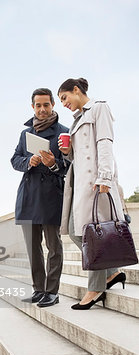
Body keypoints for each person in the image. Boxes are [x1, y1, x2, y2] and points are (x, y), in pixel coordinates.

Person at [57, 77, 126, 310]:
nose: (63, 104)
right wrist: (67, 151)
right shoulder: (77, 120)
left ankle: (95, 289)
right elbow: (78, 156)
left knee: (88, 236)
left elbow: (105, 142)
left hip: (96, 183)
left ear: (76, 90)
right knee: (77, 233)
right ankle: (112, 272)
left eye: (64, 98)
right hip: (79, 185)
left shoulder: (99, 108)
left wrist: (105, 177)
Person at [11, 88, 69, 307]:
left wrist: (52, 163)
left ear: (53, 104)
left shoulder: (64, 132)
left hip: (51, 196)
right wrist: (29, 163)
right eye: (38, 105)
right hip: (28, 196)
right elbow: (15, 159)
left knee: (54, 247)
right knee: (33, 248)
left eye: (46, 104)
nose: (42, 109)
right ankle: (38, 290)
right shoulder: (25, 134)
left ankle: (52, 292)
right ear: (32, 107)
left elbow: (69, 166)